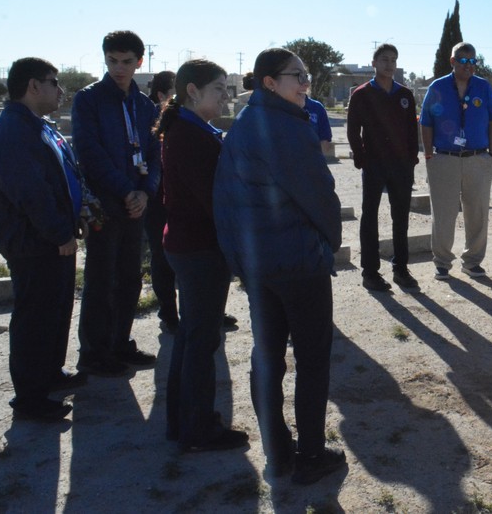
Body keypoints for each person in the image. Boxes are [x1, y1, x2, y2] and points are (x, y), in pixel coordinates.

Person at [213, 48, 346, 485]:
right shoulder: (286, 126)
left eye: (307, 74)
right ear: (269, 82)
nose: (306, 82)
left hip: (259, 267)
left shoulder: (245, 124)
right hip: (298, 265)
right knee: (311, 360)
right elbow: (319, 195)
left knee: (267, 358)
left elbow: (225, 202)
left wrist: (239, 261)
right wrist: (329, 242)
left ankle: (277, 453)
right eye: (296, 76)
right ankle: (309, 456)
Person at [0, 58, 86, 421]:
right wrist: (59, 232)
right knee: (35, 318)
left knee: (56, 311)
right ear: (32, 86)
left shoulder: (34, 125)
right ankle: (29, 399)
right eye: (53, 82)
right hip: (35, 242)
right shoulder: (13, 131)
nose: (60, 90)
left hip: (52, 239)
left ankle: (49, 375)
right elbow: (30, 193)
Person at [155, 60, 248, 452]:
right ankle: (197, 428)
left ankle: (182, 421)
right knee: (201, 340)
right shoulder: (189, 136)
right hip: (199, 248)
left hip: (191, 245)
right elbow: (213, 199)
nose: (225, 96)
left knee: (193, 335)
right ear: (192, 91)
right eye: (218, 89)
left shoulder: (192, 129)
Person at [72, 30, 161, 376]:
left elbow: (154, 153)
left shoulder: (144, 105)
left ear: (140, 62)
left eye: (126, 62)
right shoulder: (89, 100)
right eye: (112, 61)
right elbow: (90, 153)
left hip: (136, 203)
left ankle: (119, 343)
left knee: (129, 277)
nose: (118, 68)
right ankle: (94, 351)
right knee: (101, 277)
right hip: (108, 204)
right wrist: (126, 190)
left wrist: (146, 192)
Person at [419, 42, 492, 280]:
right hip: (445, 158)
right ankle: (442, 262)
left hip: (477, 158)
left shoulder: (483, 87)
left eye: (473, 61)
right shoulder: (438, 87)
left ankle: (472, 262)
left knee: (478, 212)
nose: (469, 65)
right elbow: (426, 122)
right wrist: (429, 155)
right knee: (443, 213)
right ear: (452, 62)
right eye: (463, 61)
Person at [346, 43, 420, 292]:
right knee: (370, 217)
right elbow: (353, 129)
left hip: (401, 166)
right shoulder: (362, 94)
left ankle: (401, 268)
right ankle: (370, 272)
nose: (389, 64)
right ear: (374, 63)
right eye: (385, 60)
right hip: (374, 164)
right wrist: (361, 156)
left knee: (400, 218)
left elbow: (412, 130)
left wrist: (411, 159)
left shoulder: (404, 95)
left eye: (393, 60)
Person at [145, 71, 179, 332]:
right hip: (158, 199)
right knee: (162, 256)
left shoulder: (186, 117)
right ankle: (169, 313)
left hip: (182, 198)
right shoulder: (149, 121)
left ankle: (201, 310)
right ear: (161, 95)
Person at [302, 81, 334, 155]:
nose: (304, 82)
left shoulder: (317, 107)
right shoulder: (277, 109)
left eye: (305, 77)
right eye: (297, 76)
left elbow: (324, 140)